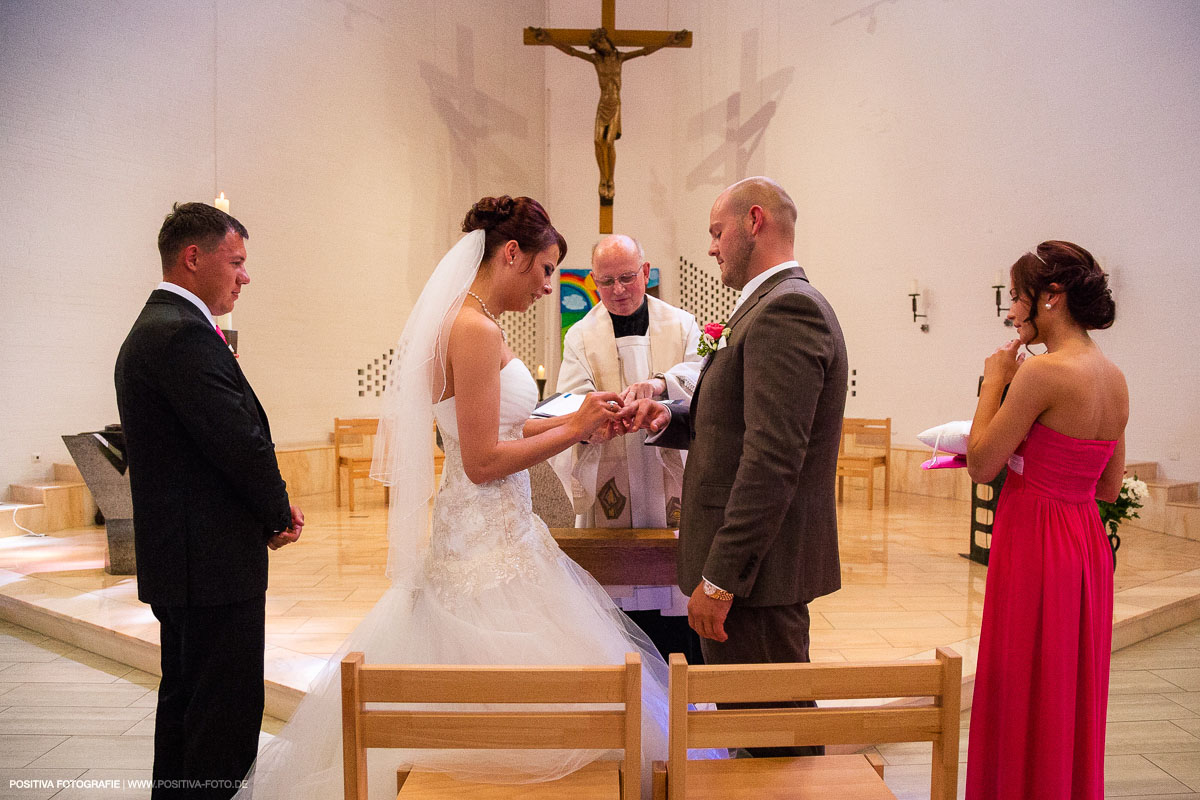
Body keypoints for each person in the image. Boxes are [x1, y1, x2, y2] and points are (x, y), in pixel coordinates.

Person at [236, 197, 712, 800]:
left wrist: (583, 422)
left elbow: (503, 428)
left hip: (494, 530)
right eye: (545, 269)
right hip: (487, 537)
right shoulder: (476, 329)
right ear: (511, 254)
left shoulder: (470, 319)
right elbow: (484, 461)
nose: (548, 285)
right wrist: (571, 428)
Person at [620, 176, 847, 757]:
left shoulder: (787, 310)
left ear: (754, 222)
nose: (714, 247)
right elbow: (735, 422)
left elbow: (773, 460)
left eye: (717, 233)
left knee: (775, 740)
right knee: (755, 733)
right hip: (755, 575)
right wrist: (668, 418)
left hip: (756, 578)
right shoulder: (767, 308)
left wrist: (720, 580)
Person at [114, 202, 304, 799]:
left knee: (188, 712)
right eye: (237, 261)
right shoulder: (179, 335)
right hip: (211, 566)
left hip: (192, 562)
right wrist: (276, 512)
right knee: (221, 722)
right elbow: (238, 442)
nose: (244, 276)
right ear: (193, 258)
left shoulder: (162, 327)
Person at [965, 241, 1126, 799]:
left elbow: (983, 465)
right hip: (1083, 542)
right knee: (1067, 688)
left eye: (1016, 298)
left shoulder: (1043, 375)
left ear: (1051, 298)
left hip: (1035, 539)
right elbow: (1107, 486)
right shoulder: (1113, 377)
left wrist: (994, 382)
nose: (1011, 312)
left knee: (1024, 683)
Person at [552, 233, 703, 662]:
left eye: (626, 278)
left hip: (668, 465)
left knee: (674, 600)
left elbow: (700, 379)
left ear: (645, 272)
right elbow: (572, 398)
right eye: (606, 282)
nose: (618, 290)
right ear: (594, 281)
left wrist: (659, 386)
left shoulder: (681, 323)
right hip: (611, 472)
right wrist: (597, 420)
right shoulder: (581, 335)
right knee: (617, 611)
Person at [528, 27, 688, 200]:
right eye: (597, 44)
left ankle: (610, 179)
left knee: (609, 142)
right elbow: (572, 52)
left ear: (607, 41)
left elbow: (644, 51)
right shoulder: (596, 60)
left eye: (601, 41)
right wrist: (549, 40)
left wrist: (667, 41)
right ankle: (602, 179)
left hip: (615, 105)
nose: (600, 46)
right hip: (603, 103)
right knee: (598, 141)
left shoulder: (619, 58)